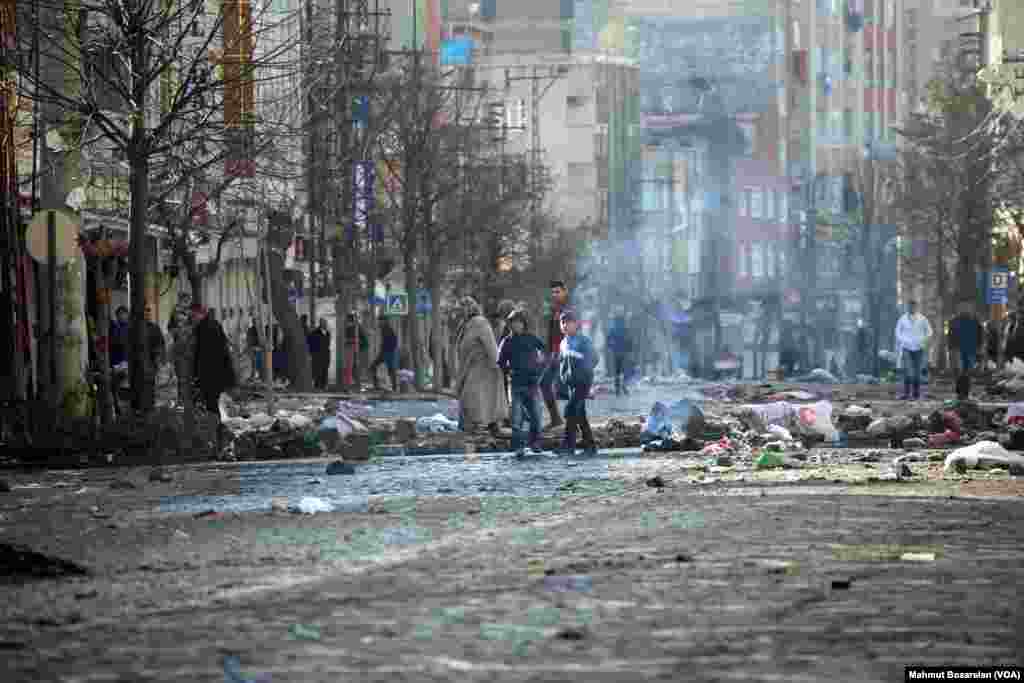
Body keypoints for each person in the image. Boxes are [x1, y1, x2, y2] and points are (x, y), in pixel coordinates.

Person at [454, 296, 507, 436]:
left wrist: (498, 363)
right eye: (460, 308)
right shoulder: (464, 324)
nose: (461, 311)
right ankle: (477, 426)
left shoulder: (480, 322)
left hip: (484, 366)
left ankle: (483, 425)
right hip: (471, 366)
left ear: (471, 308)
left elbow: (490, 344)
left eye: (464, 307)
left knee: (474, 397)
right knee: (473, 397)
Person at [497, 309, 545, 456]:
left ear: (524, 323)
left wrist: (540, 368)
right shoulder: (507, 342)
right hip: (516, 384)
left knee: (536, 416)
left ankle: (535, 442)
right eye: (513, 323)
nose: (516, 325)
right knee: (516, 418)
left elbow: (545, 350)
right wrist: (508, 372)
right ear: (509, 324)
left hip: (532, 383)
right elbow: (500, 362)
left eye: (518, 322)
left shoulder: (531, 338)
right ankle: (519, 446)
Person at [554, 308, 598, 457]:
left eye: (568, 322)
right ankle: (590, 445)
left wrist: (584, 374)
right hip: (571, 384)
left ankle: (568, 445)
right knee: (580, 415)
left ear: (576, 324)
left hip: (582, 383)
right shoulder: (563, 343)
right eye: (562, 322)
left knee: (570, 411)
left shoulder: (583, 341)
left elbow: (594, 358)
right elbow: (562, 362)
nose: (565, 325)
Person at [192, 304, 237, 419]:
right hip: (218, 370)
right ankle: (215, 423)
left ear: (200, 313)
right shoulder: (214, 324)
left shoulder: (202, 328)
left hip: (209, 372)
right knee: (212, 401)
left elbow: (202, 353)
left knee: (211, 402)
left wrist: (196, 372)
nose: (193, 318)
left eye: (194, 315)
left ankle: (215, 425)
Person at [540, 280, 570, 430]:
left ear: (564, 292)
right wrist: (547, 353)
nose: (555, 295)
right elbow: (551, 335)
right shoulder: (554, 310)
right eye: (553, 292)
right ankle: (556, 418)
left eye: (557, 292)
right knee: (544, 383)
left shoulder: (569, 310)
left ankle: (576, 422)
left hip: (565, 354)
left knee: (569, 389)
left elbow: (572, 333)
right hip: (553, 355)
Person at [895, 300, 933, 401]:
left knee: (917, 371)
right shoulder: (902, 319)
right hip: (907, 347)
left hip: (919, 348)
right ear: (907, 307)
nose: (912, 308)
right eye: (910, 306)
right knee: (908, 370)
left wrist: (923, 340)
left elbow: (930, 332)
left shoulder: (922, 319)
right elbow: (897, 332)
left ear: (916, 307)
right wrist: (903, 340)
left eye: (913, 306)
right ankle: (906, 393)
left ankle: (916, 394)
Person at [949, 303, 982, 376]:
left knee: (964, 363)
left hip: (965, 346)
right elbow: (951, 334)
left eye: (966, 307)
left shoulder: (955, 320)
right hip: (966, 346)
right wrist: (979, 344)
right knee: (965, 363)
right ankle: (964, 374)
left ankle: (964, 374)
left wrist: (950, 345)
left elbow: (979, 333)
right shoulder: (974, 320)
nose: (965, 309)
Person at [606, 313, 633, 396]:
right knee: (625, 370)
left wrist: (610, 346)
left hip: (616, 352)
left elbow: (608, 339)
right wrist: (630, 349)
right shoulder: (626, 329)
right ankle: (624, 386)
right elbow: (630, 339)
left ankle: (617, 388)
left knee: (617, 371)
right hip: (625, 352)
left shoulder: (613, 329)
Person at [370, 318, 399, 392]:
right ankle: (377, 386)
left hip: (388, 353)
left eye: (380, 321)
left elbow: (394, 341)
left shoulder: (388, 329)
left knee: (390, 369)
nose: (379, 323)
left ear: (384, 321)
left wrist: (389, 350)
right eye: (379, 321)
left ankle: (394, 387)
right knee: (373, 367)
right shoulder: (383, 329)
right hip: (384, 353)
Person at [343, 313, 366, 387]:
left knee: (352, 366)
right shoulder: (354, 327)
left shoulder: (354, 328)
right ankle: (355, 382)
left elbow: (361, 339)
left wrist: (350, 341)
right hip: (354, 349)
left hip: (353, 348)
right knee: (353, 366)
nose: (346, 321)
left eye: (347, 320)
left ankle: (352, 382)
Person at [309, 318, 331, 390]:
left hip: (325, 354)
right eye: (324, 323)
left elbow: (328, 344)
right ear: (320, 324)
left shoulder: (328, 333)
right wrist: (312, 353)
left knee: (325, 370)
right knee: (318, 370)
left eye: (325, 323)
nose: (325, 324)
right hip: (317, 354)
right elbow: (311, 344)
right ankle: (318, 385)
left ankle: (324, 385)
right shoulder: (314, 333)